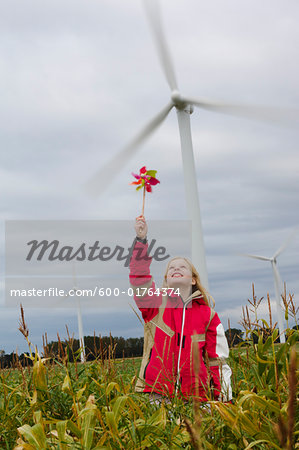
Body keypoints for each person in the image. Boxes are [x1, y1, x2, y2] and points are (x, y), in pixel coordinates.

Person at [129, 215, 232, 402]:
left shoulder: (208, 316)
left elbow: (217, 360)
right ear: (167, 280)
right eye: (171, 268)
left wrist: (222, 397)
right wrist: (141, 241)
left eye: (182, 267)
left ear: (193, 280)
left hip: (196, 395)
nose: (176, 268)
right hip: (158, 392)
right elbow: (139, 278)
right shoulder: (155, 305)